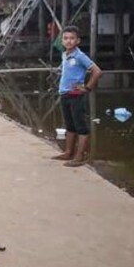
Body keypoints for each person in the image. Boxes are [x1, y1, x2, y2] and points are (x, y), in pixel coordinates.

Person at [52, 25, 103, 167]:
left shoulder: (80, 56)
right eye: (65, 38)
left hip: (75, 95)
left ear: (78, 40)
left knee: (81, 126)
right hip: (64, 93)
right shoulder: (65, 54)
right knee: (70, 125)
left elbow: (97, 72)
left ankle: (80, 156)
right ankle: (68, 152)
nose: (68, 41)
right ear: (62, 41)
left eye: (72, 38)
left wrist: (87, 88)